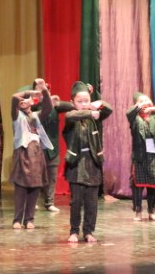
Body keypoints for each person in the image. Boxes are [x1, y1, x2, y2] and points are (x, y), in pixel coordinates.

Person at [63, 81, 113, 243]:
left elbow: (108, 109)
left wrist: (97, 102)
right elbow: (70, 116)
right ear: (72, 102)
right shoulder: (72, 117)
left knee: (92, 202)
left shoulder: (94, 118)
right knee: (76, 201)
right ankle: (74, 231)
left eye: (86, 101)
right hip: (76, 164)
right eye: (80, 101)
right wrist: (90, 113)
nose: (84, 104)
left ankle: (89, 231)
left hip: (93, 163)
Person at [9, 79, 53, 229]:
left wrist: (44, 90)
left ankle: (29, 219)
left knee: (35, 187)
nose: (22, 101)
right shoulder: (16, 116)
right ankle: (17, 219)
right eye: (22, 99)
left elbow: (48, 108)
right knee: (21, 188)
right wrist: (29, 93)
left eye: (26, 99)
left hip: (36, 154)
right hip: (23, 154)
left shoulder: (36, 116)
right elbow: (14, 98)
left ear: (32, 102)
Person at [127, 93, 155, 222]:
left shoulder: (154, 117)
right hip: (140, 156)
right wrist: (140, 106)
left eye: (147, 100)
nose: (145, 102)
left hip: (153, 156)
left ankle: (151, 211)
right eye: (141, 101)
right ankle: (138, 211)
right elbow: (129, 113)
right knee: (137, 187)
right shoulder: (134, 118)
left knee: (154, 185)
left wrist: (154, 109)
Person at [33, 81, 74, 213]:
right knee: (35, 176)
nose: (43, 93)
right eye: (40, 91)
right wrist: (46, 102)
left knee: (52, 176)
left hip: (52, 148)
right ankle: (32, 201)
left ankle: (49, 202)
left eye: (45, 91)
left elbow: (71, 106)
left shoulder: (54, 106)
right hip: (36, 148)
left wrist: (57, 103)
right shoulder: (32, 106)